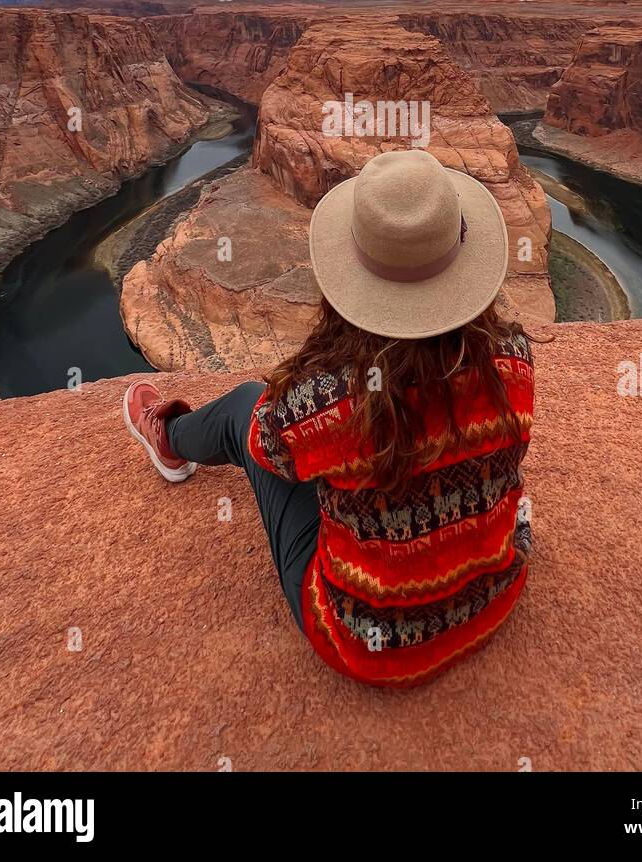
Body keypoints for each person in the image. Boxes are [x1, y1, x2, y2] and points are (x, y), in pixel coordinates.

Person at [123, 148, 537, 687]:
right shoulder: (513, 358)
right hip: (489, 602)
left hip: (365, 646)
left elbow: (263, 447)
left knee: (241, 408)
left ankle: (171, 439)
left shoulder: (324, 401)